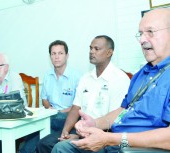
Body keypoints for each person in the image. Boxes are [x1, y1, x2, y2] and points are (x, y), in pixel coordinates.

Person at [52, 8, 170, 153]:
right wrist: (94, 123)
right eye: (141, 34)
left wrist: (111, 139)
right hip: (116, 141)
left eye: (150, 32)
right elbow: (123, 110)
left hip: (136, 147)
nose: (142, 40)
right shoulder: (141, 74)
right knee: (62, 148)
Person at [37, 35, 130, 153]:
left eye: (97, 49)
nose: (91, 51)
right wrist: (66, 131)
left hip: (104, 135)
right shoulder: (86, 78)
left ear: (109, 53)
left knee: (59, 147)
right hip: (82, 130)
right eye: (90, 48)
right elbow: (76, 108)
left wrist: (82, 135)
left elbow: (115, 120)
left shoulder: (119, 79)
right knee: (44, 144)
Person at [19, 40, 82, 153]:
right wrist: (49, 108)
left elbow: (78, 106)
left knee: (39, 125)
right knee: (37, 125)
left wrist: (60, 111)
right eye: (53, 54)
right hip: (51, 114)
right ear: (50, 56)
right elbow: (44, 99)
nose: (56, 57)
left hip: (68, 116)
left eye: (60, 53)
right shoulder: (48, 75)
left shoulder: (77, 77)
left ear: (67, 56)